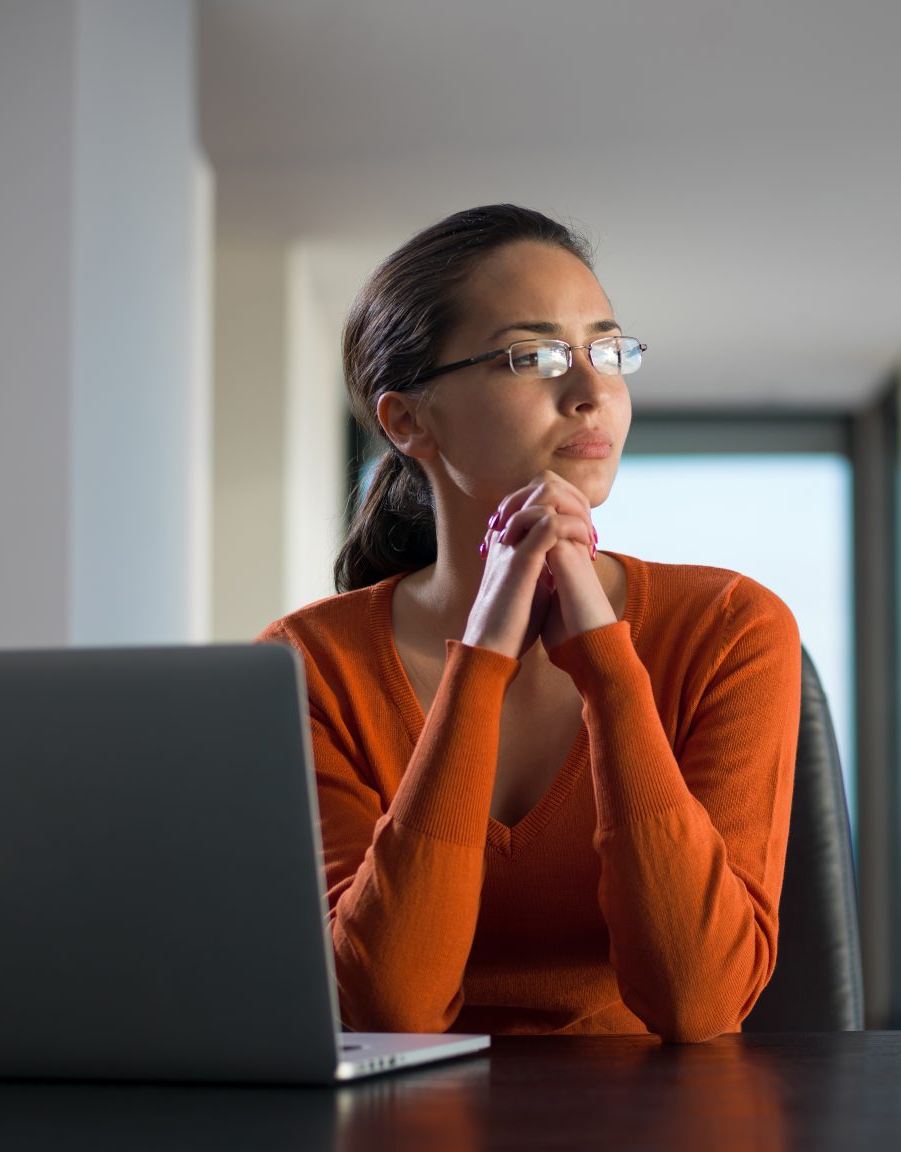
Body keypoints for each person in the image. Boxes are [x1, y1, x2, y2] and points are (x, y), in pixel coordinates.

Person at [258, 205, 802, 1043]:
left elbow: (700, 1004)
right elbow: (389, 1009)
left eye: (607, 350)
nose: (592, 394)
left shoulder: (732, 627)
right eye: (535, 356)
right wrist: (481, 660)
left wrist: (607, 668)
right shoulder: (306, 667)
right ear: (407, 421)